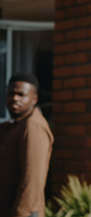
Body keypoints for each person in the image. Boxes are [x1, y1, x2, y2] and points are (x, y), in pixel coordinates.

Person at [0, 73, 54, 217]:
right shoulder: (11, 126)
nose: (15, 98)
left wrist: (20, 213)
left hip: (23, 212)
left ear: (34, 99)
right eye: (11, 93)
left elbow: (32, 181)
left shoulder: (33, 126)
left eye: (21, 95)